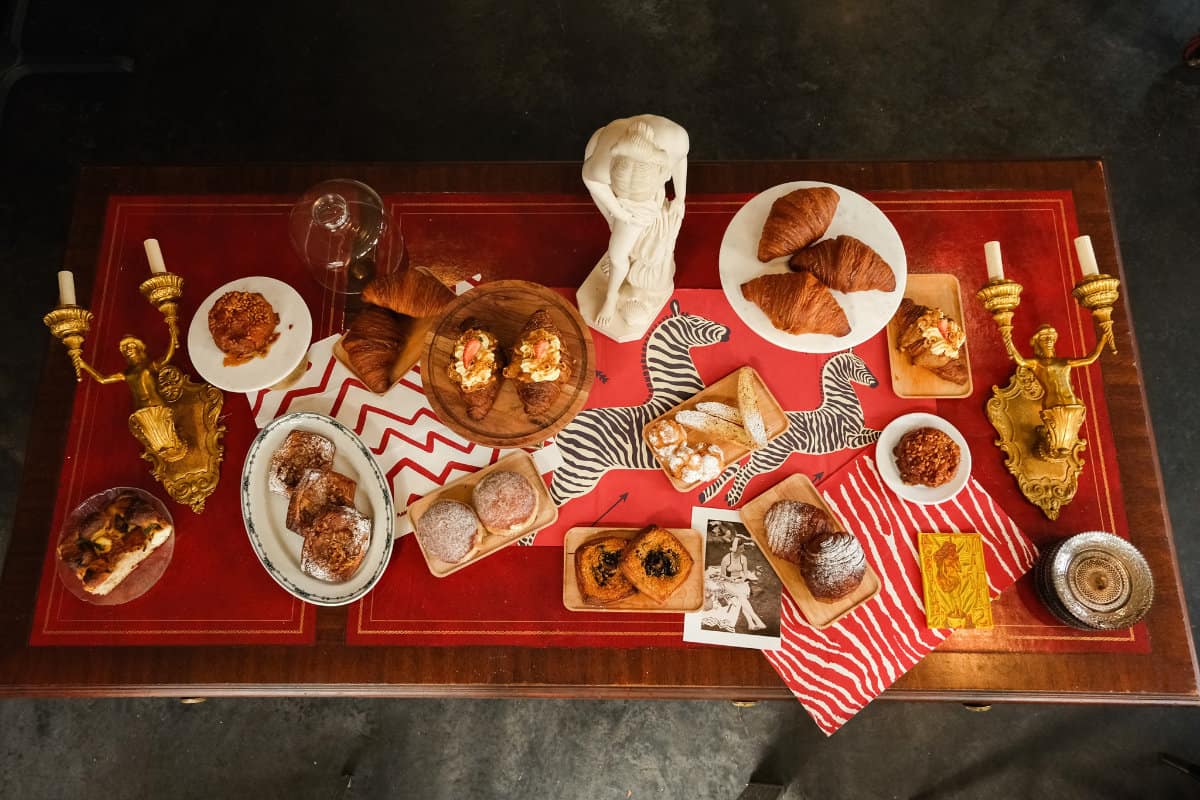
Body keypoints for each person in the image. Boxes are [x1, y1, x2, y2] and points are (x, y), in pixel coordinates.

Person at [582, 115, 689, 329]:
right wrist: (617, 211)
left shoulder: (675, 139)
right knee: (617, 252)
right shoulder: (601, 168)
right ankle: (612, 297)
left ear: (662, 173)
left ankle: (620, 274)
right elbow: (591, 181)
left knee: (621, 250)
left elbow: (681, 160)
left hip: (642, 200)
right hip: (605, 164)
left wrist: (680, 197)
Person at [719, 537, 766, 632]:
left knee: (742, 598)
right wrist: (731, 579)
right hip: (728, 582)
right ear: (735, 549)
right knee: (742, 596)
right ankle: (756, 620)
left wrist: (742, 579)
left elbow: (745, 573)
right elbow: (722, 574)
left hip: (740, 581)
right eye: (741, 549)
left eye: (743, 548)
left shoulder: (743, 558)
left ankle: (751, 624)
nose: (743, 550)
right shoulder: (726, 559)